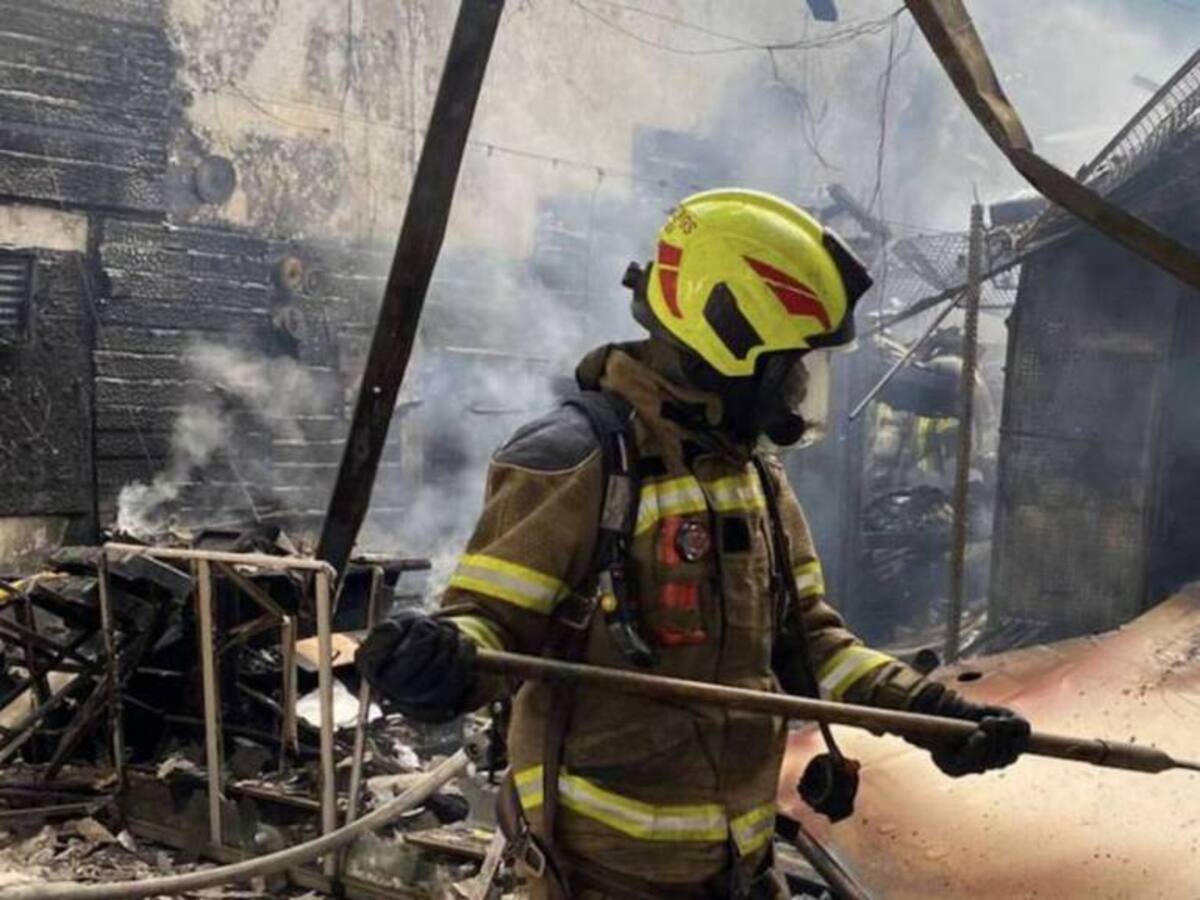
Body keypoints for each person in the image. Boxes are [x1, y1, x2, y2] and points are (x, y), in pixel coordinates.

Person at [357, 190, 1030, 899]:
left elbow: (810, 647)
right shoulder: (578, 461)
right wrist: (438, 662)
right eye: (792, 363)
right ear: (728, 338)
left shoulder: (756, 477)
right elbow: (490, 627)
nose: (802, 387)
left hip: (739, 871)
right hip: (602, 879)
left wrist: (929, 714)